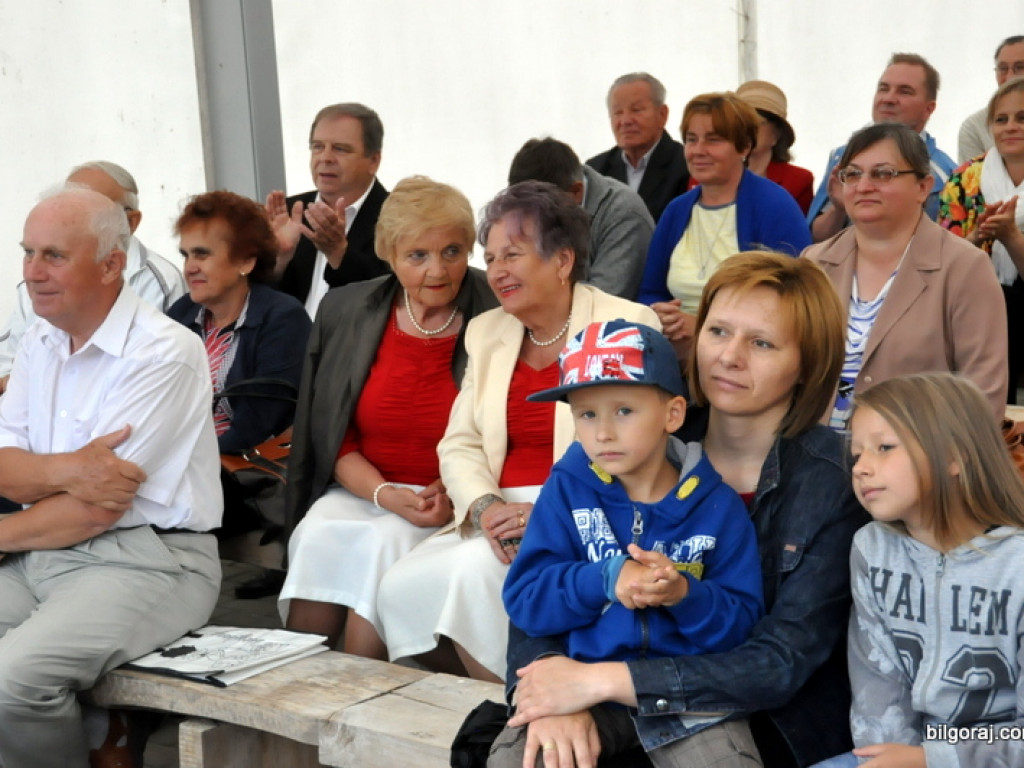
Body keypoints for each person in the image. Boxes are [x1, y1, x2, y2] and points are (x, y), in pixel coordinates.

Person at [503, 252, 868, 768]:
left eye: (761, 343)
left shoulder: (834, 482)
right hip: (601, 693)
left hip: (760, 719)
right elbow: (536, 593)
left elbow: (780, 662)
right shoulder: (633, 428)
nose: (730, 357)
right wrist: (547, 688)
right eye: (718, 332)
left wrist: (598, 681)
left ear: (808, 364)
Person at [376, 181, 659, 682]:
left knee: (469, 575)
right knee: (398, 587)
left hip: (587, 515)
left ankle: (521, 704)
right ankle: (497, 695)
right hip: (496, 513)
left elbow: (637, 451)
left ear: (563, 261)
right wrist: (486, 508)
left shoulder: (625, 322)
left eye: (512, 254)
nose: (498, 271)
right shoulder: (487, 330)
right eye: (491, 256)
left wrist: (548, 515)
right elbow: (459, 443)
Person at [0, 186, 221, 768]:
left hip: (151, 559)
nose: (32, 272)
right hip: (42, 549)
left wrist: (30, 496)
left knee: (13, 682)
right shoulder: (38, 340)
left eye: (53, 255)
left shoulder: (163, 352)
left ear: (111, 264)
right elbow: (6, 474)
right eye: (27, 252)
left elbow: (97, 509)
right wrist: (70, 469)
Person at [491, 319, 764, 768]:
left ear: (673, 415)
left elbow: (742, 624)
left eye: (624, 411)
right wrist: (603, 579)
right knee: (516, 760)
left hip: (689, 700)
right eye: (586, 413)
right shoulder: (565, 491)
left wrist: (684, 595)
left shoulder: (718, 507)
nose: (603, 433)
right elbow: (526, 601)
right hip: (583, 690)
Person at [279, 176, 497, 658]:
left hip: (445, 500)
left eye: (453, 251)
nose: (437, 270)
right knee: (319, 534)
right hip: (364, 488)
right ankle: (291, 703)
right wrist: (382, 493)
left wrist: (451, 490)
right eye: (417, 255)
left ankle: (359, 711)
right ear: (389, 255)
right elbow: (332, 434)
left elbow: (506, 431)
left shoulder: (497, 311)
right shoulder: (347, 310)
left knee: (386, 548)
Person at [811, 373, 1024, 768]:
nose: (860, 468)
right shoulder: (871, 549)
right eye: (857, 454)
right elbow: (878, 685)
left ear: (953, 457)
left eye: (884, 447)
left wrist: (934, 757)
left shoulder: (1018, 566)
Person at [803, 122, 1008, 430]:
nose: (864, 185)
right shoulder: (814, 263)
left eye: (883, 173)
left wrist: (945, 467)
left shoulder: (965, 267)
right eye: (853, 174)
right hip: (813, 458)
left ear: (923, 187)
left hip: (920, 460)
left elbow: (983, 392)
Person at [637, 91, 810, 362]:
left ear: (743, 148)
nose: (698, 151)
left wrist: (708, 328)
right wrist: (659, 313)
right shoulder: (677, 210)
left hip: (748, 361)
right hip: (680, 360)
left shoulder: (775, 205)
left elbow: (794, 299)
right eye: (691, 140)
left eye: (713, 140)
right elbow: (650, 290)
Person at [0, 160, 185, 392]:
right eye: (28, 252)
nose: (34, 273)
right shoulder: (37, 284)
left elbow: (133, 379)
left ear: (131, 221)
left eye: (88, 206)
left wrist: (31, 382)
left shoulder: (161, 282)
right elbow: (6, 366)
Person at [169, 190, 311, 455]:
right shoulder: (182, 313)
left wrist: (182, 462)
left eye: (202, 255)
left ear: (245, 260)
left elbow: (254, 429)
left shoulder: (282, 318)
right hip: (181, 463)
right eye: (185, 255)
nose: (189, 267)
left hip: (243, 476)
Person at [807, 53, 957, 241]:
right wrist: (838, 209)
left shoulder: (948, 175)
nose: (888, 98)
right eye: (883, 89)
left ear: (929, 108)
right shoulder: (842, 157)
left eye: (904, 91)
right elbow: (815, 240)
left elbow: (949, 251)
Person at [940, 76, 1024, 404]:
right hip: (980, 302)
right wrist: (978, 236)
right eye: (1001, 119)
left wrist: (1011, 237)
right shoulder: (966, 178)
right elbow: (942, 261)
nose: (1010, 127)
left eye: (1022, 118)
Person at [265, 102, 390, 316]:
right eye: (317, 147)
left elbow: (391, 297)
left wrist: (339, 254)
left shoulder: (399, 218)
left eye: (340, 149)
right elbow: (257, 302)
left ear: (373, 161)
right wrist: (277, 262)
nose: (325, 158)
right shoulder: (288, 212)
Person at [508, 137, 654, 299]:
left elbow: (602, 299)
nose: (532, 218)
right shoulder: (523, 209)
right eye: (523, 208)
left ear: (576, 192)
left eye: (542, 209)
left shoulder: (624, 213)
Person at [586, 72, 690, 223]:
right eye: (618, 112)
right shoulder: (596, 170)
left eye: (636, 110)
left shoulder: (685, 165)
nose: (626, 120)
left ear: (662, 114)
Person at [735, 80, 815, 214]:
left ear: (776, 134)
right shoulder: (709, 172)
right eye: (741, 121)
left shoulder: (798, 180)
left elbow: (802, 231)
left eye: (757, 122)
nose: (747, 128)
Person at [957, 35, 1024, 162]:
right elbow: (971, 178)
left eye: (1020, 67)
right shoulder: (974, 127)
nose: (1009, 77)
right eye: (1003, 69)